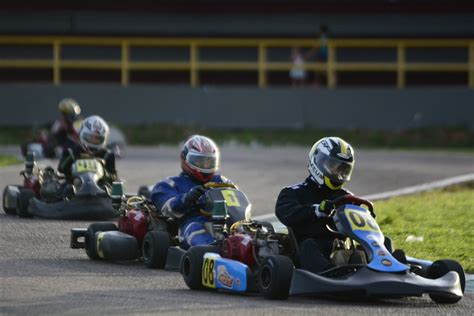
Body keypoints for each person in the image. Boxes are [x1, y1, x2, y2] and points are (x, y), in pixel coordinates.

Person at [275, 136, 356, 274]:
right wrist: (316, 210)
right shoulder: (293, 192)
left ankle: (390, 265)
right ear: (317, 162)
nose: (338, 173)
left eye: (343, 169)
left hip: (340, 250)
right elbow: (285, 213)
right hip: (307, 252)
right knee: (309, 246)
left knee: (380, 242)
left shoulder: (347, 197)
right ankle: (331, 275)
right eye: (332, 166)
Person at [150, 135, 232, 249]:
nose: (205, 166)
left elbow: (236, 204)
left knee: (255, 229)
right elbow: (167, 208)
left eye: (209, 162)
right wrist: (187, 198)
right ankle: (211, 250)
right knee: (195, 229)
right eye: (200, 161)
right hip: (192, 224)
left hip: (226, 223)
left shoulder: (222, 181)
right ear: (184, 159)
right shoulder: (169, 184)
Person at [57, 115, 118, 184]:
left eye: (98, 139)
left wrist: (103, 172)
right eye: (91, 138)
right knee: (66, 189)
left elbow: (113, 177)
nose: (94, 141)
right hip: (74, 186)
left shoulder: (107, 155)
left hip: (100, 187)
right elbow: (61, 170)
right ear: (82, 135)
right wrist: (72, 158)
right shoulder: (71, 152)